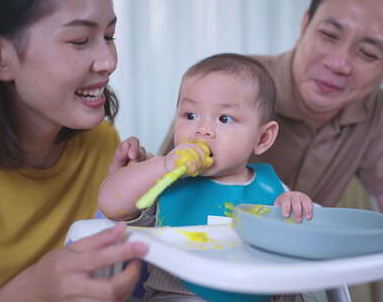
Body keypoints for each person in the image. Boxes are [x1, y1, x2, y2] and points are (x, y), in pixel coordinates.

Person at [161, 0, 383, 301]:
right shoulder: (231, 90)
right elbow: (159, 197)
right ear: (304, 25)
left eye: (367, 52)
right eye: (328, 35)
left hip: (284, 282)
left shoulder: (373, 110)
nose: (338, 63)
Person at [0, 0, 150, 301]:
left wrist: (142, 209)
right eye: (79, 41)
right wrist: (36, 288)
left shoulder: (102, 145)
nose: (109, 61)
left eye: (109, 36)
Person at [98, 53, 313, 302]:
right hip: (180, 295)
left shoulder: (271, 188)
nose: (202, 130)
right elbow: (110, 203)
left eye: (224, 118)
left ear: (263, 138)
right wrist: (161, 165)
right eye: (190, 115)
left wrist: (295, 204)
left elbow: (296, 243)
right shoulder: (167, 183)